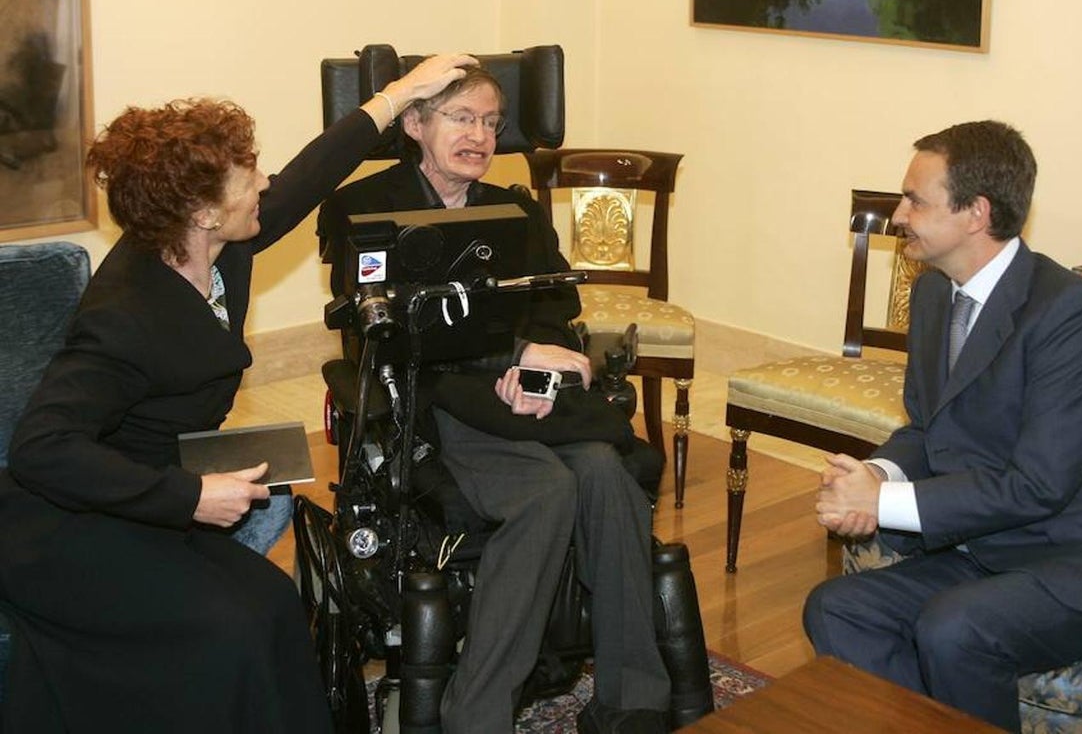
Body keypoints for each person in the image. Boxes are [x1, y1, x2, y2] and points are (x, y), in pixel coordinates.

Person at [0, 52, 477, 734]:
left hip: (140, 498)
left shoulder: (221, 246)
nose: (264, 183)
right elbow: (40, 448)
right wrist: (189, 495)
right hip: (69, 525)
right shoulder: (124, 315)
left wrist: (399, 95)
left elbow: (310, 174)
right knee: (230, 627)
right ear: (201, 210)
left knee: (275, 602)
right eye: (247, 175)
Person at [319, 66, 671, 734]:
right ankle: (476, 715)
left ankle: (633, 700)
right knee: (545, 492)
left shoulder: (516, 211)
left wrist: (536, 371)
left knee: (608, 474)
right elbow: (386, 330)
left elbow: (553, 308)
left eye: (489, 122)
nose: (478, 136)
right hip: (435, 399)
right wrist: (511, 354)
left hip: (523, 398)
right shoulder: (366, 211)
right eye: (460, 118)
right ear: (415, 124)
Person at [802, 120, 1082, 732]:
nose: (899, 215)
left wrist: (885, 503)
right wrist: (876, 475)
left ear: (975, 213)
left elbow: (1039, 484)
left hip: (1078, 556)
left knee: (955, 629)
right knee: (837, 608)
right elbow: (926, 427)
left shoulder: (1067, 310)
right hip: (982, 547)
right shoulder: (935, 295)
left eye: (915, 200)